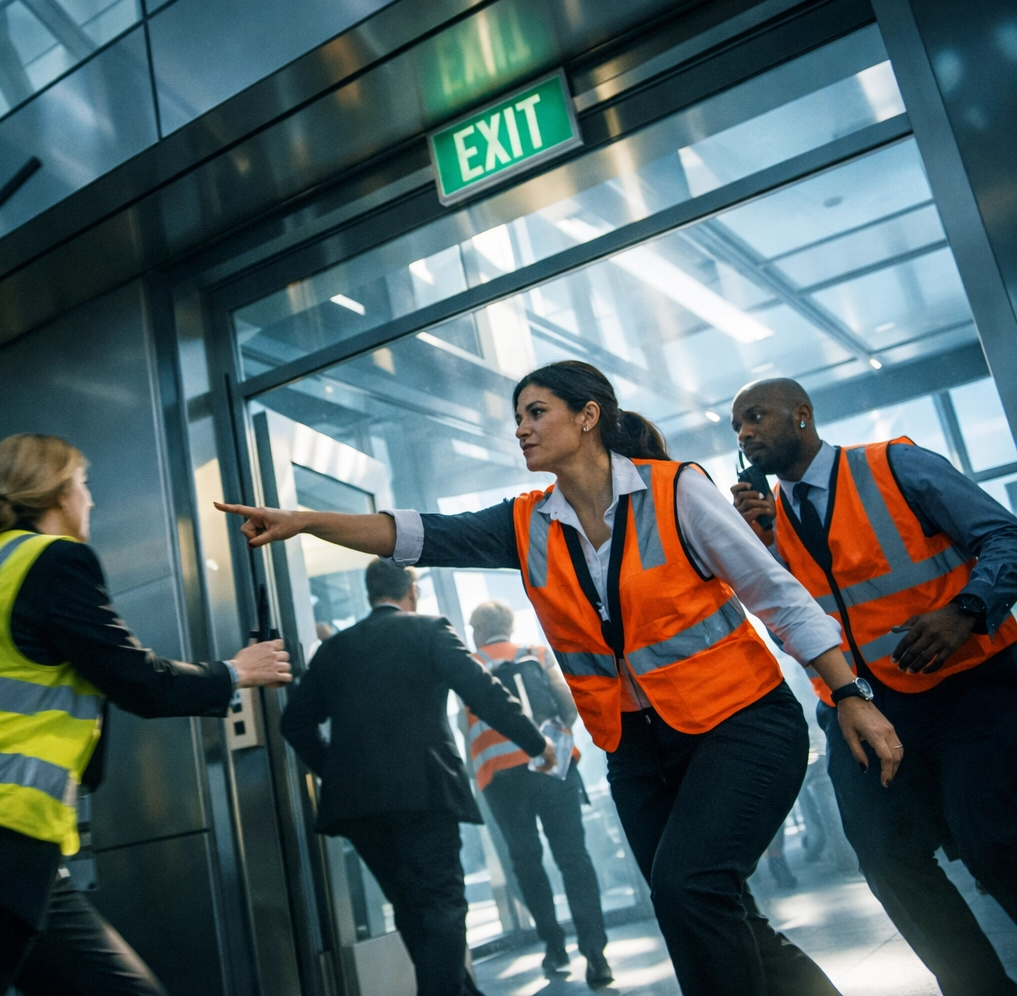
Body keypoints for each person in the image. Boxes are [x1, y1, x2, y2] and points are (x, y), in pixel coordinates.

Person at [220, 360, 904, 996]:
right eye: (518, 416)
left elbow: (776, 593)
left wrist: (849, 694)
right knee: (703, 906)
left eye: (536, 411)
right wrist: (307, 521)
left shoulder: (676, 492)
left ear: (587, 417)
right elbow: (414, 532)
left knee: (691, 888)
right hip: (639, 750)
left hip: (740, 725)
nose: (520, 427)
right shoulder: (527, 523)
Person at [0, 434, 292, 996]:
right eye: (84, 484)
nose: (90, 500)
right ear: (56, 492)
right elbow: (135, 679)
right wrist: (236, 672)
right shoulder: (53, 561)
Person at [731, 377, 1017, 996]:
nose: (745, 433)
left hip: (970, 687)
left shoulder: (897, 466)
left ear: (802, 415)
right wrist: (760, 552)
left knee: (992, 841)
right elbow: (797, 622)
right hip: (863, 705)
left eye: (756, 417)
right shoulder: (768, 521)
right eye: (737, 428)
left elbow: (1006, 536)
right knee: (886, 857)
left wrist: (966, 609)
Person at [279, 560, 552, 996]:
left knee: (410, 908)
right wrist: (537, 743)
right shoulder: (428, 629)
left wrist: (336, 770)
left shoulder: (335, 649)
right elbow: (484, 692)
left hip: (357, 806)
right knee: (442, 904)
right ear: (412, 589)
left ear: (371, 593)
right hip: (423, 792)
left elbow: (294, 724)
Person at [465, 601, 612, 987]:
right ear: (509, 626)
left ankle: (554, 946)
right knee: (573, 857)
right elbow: (566, 700)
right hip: (553, 765)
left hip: (501, 776)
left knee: (526, 862)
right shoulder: (535, 653)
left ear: (478, 630)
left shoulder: (470, 664)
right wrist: (557, 741)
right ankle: (595, 953)